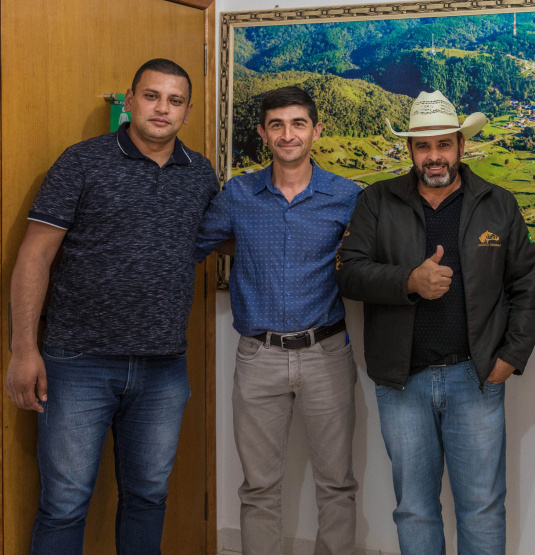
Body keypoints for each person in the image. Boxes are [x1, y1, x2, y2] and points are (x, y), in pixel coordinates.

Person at [5, 59, 217, 554]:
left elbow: (220, 236)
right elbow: (34, 255)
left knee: (148, 497)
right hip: (77, 364)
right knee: (64, 503)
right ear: (129, 98)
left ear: (186, 112)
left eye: (175, 100)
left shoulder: (199, 172)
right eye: (151, 95)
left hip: (163, 369)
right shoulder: (82, 162)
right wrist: (23, 349)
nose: (162, 108)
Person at [335, 90, 535, 555]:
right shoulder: (376, 201)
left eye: (443, 144)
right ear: (410, 151)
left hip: (476, 378)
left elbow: (527, 286)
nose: (435, 156)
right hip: (401, 382)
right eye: (423, 146)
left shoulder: (498, 204)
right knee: (414, 507)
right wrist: (409, 280)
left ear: (461, 147)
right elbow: (349, 273)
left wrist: (509, 358)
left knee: (483, 507)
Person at [196, 86, 361, 555]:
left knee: (336, 484)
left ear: (316, 130)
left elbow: (373, 258)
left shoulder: (346, 196)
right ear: (263, 133)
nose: (288, 135)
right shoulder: (239, 195)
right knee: (259, 487)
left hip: (326, 354)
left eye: (298, 124)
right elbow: (195, 245)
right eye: (277, 125)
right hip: (258, 358)